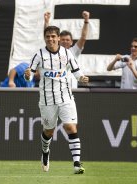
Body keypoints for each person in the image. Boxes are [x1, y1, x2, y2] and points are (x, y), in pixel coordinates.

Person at [24, 26, 89, 174]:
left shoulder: (67, 53)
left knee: (71, 127)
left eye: (53, 36)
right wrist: (27, 75)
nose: (50, 39)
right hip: (47, 100)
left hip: (66, 97)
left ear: (58, 38)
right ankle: (45, 151)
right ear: (45, 38)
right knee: (49, 131)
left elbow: (76, 72)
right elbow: (30, 75)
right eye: (48, 36)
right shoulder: (39, 55)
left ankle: (77, 164)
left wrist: (82, 78)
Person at [44, 11, 90, 88]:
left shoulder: (73, 51)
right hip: (56, 89)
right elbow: (48, 36)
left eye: (67, 40)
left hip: (72, 89)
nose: (65, 41)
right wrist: (46, 22)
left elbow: (83, 37)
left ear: (71, 42)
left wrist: (86, 21)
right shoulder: (52, 51)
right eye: (63, 39)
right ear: (58, 40)